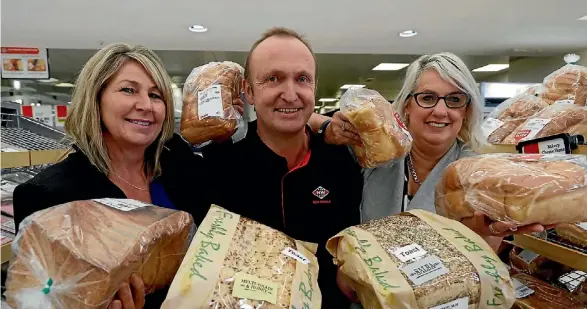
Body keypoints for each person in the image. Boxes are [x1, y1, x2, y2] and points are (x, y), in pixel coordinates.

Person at [308, 53, 551, 301]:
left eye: (455, 99)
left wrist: (484, 234)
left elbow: (476, 272)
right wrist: (326, 126)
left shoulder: (480, 175)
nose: (441, 110)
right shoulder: (376, 154)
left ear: (466, 110)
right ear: (406, 105)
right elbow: (296, 119)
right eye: (427, 97)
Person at [12, 43, 211, 309]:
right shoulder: (49, 196)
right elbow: (37, 300)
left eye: (156, 95)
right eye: (128, 90)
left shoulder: (177, 161)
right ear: (96, 99)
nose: (145, 105)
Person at [201, 27, 363, 308]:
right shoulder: (217, 167)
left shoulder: (341, 162)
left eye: (302, 79)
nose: (290, 94)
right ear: (249, 92)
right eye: (273, 79)